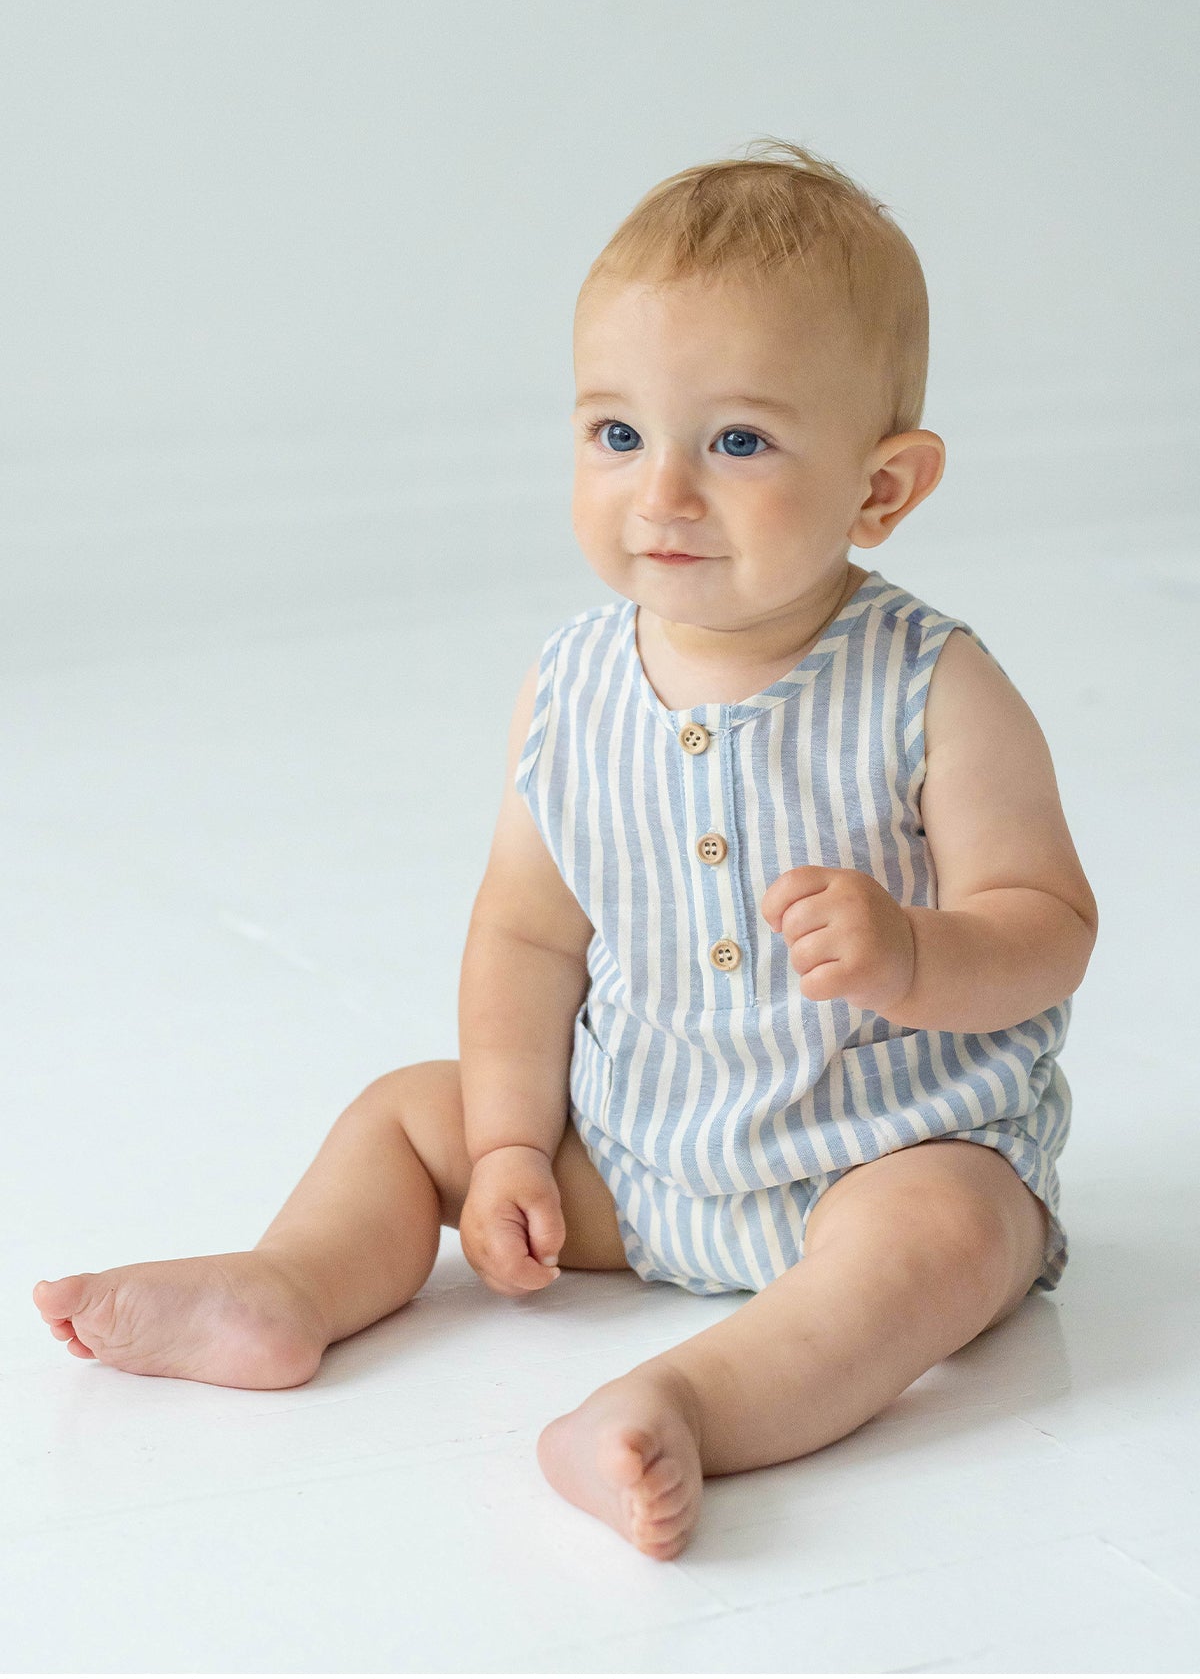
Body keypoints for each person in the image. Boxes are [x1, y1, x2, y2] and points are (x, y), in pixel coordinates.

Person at [32, 138, 1098, 1562]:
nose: (662, 491)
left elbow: (1046, 920)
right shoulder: (576, 683)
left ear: (883, 488)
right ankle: (287, 1285)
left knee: (957, 1240)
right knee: (412, 1111)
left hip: (880, 1154)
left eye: (737, 442)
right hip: (645, 1152)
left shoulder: (932, 685)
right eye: (616, 434)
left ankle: (677, 1407)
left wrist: (918, 954)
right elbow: (528, 933)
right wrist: (515, 1145)